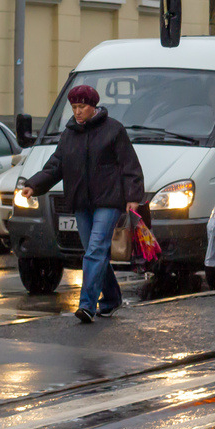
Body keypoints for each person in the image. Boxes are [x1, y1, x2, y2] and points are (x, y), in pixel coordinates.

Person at [17, 85, 144, 323]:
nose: (77, 112)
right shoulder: (69, 134)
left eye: (82, 107)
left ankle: (86, 305)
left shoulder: (114, 130)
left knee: (95, 251)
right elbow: (55, 166)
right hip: (81, 202)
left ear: (93, 106)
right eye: (74, 107)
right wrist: (33, 185)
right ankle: (112, 298)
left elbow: (130, 165)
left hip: (108, 201)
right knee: (94, 253)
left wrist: (133, 197)